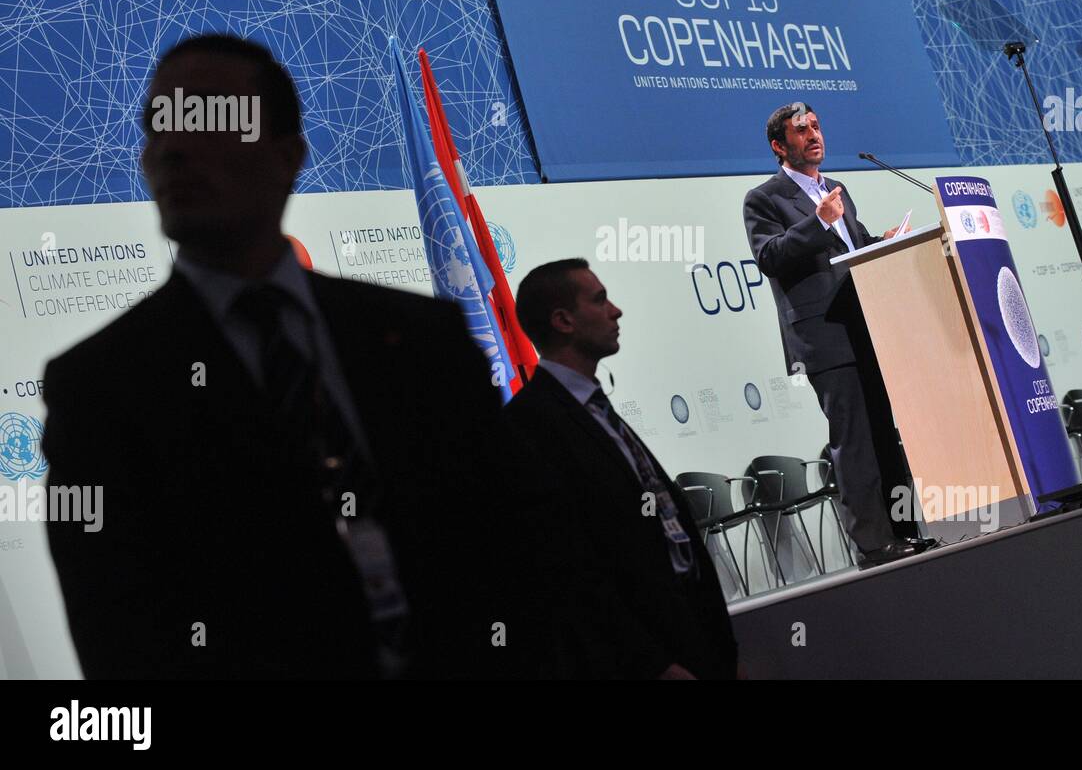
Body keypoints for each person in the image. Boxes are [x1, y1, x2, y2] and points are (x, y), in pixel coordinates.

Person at [41, 33, 501, 679]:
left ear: (287, 155)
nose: (171, 146)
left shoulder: (425, 340)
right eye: (157, 125)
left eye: (205, 116)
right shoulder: (100, 388)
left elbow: (515, 557)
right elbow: (123, 641)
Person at [497, 259, 738, 679]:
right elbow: (569, 566)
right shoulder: (530, 423)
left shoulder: (597, 408)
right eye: (600, 299)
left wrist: (724, 652)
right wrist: (653, 663)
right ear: (563, 320)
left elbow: (671, 534)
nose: (616, 311)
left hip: (693, 638)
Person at [742, 102, 925, 567]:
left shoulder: (839, 192)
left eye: (817, 127)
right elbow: (770, 257)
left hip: (867, 329)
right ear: (779, 146)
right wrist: (819, 221)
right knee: (854, 439)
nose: (813, 135)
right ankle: (873, 543)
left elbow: (853, 252)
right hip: (824, 339)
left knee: (886, 434)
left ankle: (907, 530)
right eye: (801, 131)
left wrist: (880, 243)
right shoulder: (765, 198)